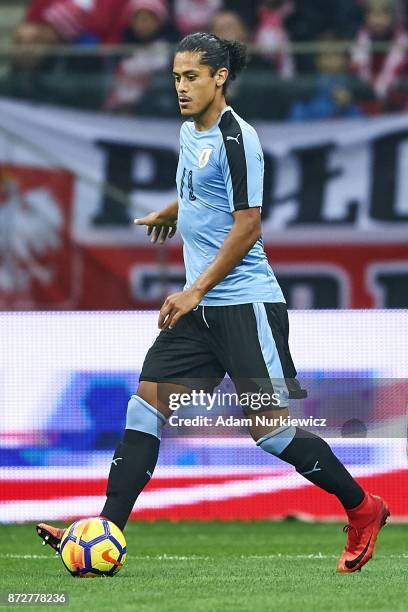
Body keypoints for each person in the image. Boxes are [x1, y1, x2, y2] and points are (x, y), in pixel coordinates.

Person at [36, 32, 389, 574]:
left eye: (191, 77)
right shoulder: (189, 132)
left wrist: (195, 288)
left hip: (245, 305)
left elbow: (248, 226)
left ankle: (363, 509)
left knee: (269, 431)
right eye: (176, 77)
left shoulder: (237, 138)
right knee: (144, 405)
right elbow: (205, 193)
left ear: (218, 77)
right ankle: (104, 531)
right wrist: (172, 211)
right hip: (200, 312)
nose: (180, 87)